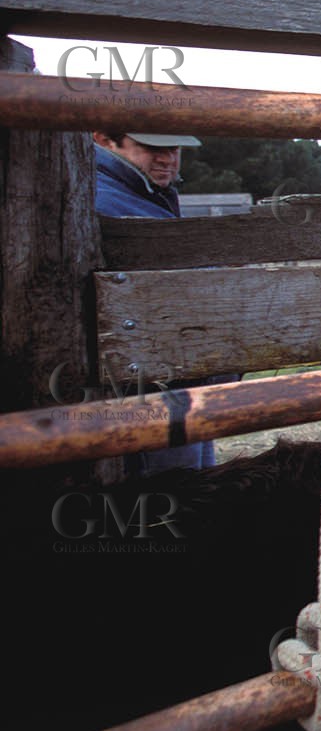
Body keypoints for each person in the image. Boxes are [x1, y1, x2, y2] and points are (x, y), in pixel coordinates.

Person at [91, 129, 219, 473]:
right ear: (104, 140)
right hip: (150, 381)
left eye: (174, 148)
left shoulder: (142, 195)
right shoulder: (108, 200)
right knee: (174, 488)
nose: (167, 158)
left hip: (169, 376)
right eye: (150, 147)